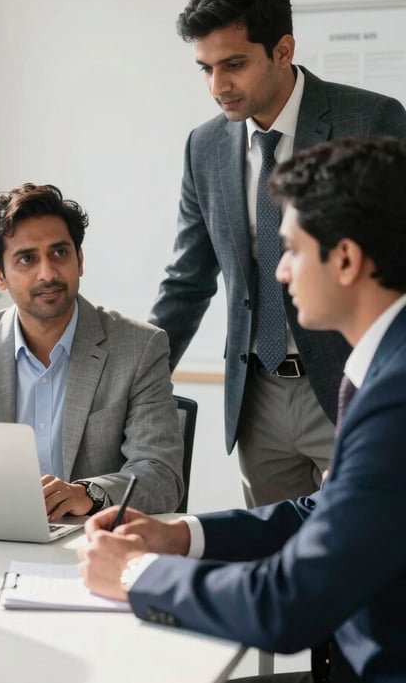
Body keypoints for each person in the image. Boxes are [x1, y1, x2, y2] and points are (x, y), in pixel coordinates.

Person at [79, 136, 406, 682]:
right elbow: (325, 512)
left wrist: (137, 573)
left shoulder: (395, 394)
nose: (279, 273)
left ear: (346, 259)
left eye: (293, 251)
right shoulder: (384, 364)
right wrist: (178, 536)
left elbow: (287, 605)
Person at [149, 0, 406, 507]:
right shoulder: (205, 147)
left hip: (349, 383)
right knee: (267, 550)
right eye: (207, 68)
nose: (218, 85)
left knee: (361, 558)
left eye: (234, 64)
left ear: (283, 50)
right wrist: (135, 381)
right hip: (256, 394)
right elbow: (188, 279)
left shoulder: (373, 119)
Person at [0, 183, 183, 518]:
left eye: (59, 253)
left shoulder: (139, 347)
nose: (48, 273)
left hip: (94, 542)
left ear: (79, 260)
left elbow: (161, 476)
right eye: (27, 259)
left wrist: (89, 493)